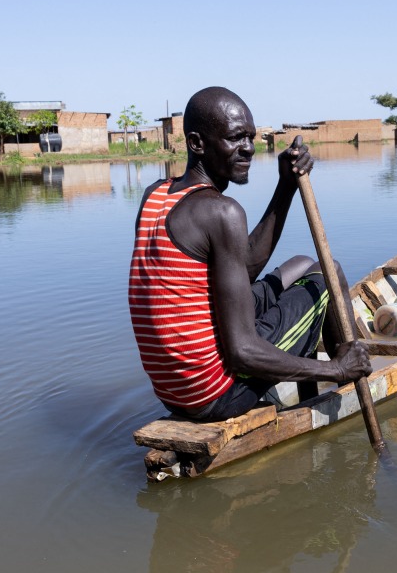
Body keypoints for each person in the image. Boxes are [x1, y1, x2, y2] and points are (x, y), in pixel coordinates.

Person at [129, 86, 371, 422]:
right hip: (216, 394)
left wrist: (285, 185)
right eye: (235, 139)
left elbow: (240, 272)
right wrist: (336, 369)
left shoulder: (155, 195)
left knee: (303, 265)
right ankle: (351, 370)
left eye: (250, 138)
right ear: (198, 144)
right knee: (329, 278)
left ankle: (339, 367)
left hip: (174, 394)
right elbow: (242, 353)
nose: (248, 149)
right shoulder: (222, 212)